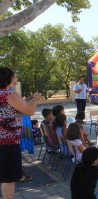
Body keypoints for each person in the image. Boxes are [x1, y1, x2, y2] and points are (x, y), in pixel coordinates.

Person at [0, 67, 41, 198]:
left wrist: (29, 100)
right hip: (8, 143)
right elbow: (29, 111)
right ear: (10, 78)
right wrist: (35, 99)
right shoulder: (9, 96)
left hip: (3, 141)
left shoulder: (8, 95)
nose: (16, 76)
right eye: (14, 75)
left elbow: (22, 106)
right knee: (8, 177)